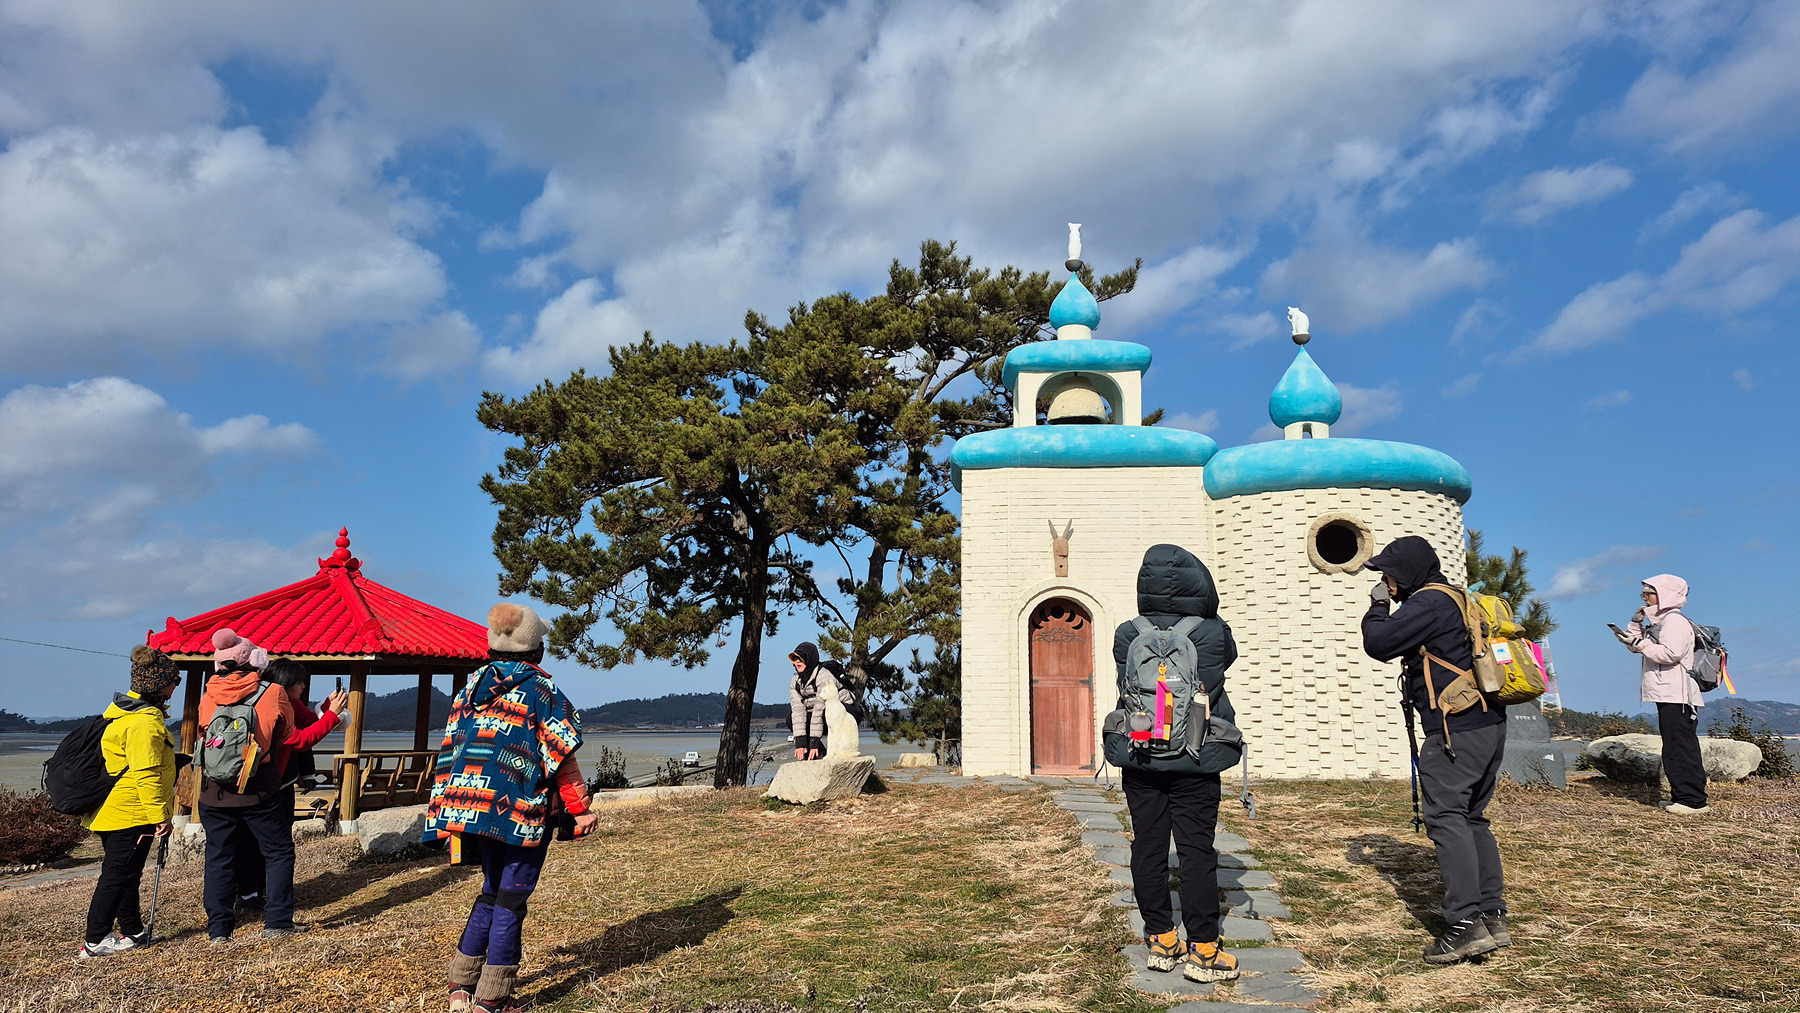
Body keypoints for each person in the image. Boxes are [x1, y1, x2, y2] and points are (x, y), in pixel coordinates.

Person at [424, 603, 597, 1013]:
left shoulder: (469, 689)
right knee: (512, 898)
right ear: (537, 651)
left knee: (492, 889)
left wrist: (444, 809)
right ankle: (493, 997)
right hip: (519, 810)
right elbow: (560, 755)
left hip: (471, 805)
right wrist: (580, 808)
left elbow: (452, 749)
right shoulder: (541, 691)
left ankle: (461, 983)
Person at [1361, 535, 1508, 964]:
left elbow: (1378, 643)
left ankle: (1465, 924)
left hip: (1454, 728)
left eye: (1389, 574)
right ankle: (1492, 916)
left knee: (1446, 818)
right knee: (1472, 817)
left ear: (1406, 572)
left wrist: (1378, 606)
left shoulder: (1429, 602)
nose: (1386, 582)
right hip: (1488, 722)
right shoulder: (1459, 598)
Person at [1101, 545, 1241, 984]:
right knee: (1196, 850)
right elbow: (1228, 659)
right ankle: (1204, 949)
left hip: (1141, 755)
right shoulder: (1213, 632)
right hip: (1198, 756)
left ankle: (1161, 939)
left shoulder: (1128, 632)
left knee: (1148, 845)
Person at [76, 646, 181, 958]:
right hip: (131, 811)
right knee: (117, 875)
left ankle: (132, 930)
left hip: (114, 809)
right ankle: (95, 940)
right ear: (160, 685)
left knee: (127, 874)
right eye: (174, 680)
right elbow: (145, 773)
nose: (176, 686)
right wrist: (160, 815)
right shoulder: (143, 723)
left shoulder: (124, 713)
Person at [195, 628, 298, 943]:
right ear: (254, 661)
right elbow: (287, 732)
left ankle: (219, 930)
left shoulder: (208, 695)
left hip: (214, 791)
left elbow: (204, 734)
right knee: (278, 852)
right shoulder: (273, 692)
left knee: (219, 857)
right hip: (258, 788)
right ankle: (277, 922)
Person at [232, 659, 349, 911]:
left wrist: (328, 706)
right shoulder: (273, 705)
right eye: (299, 682)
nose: (303, 687)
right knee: (266, 844)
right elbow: (301, 740)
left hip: (280, 782)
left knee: (271, 842)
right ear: (285, 684)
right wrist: (332, 714)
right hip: (260, 785)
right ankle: (254, 895)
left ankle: (261, 890)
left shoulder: (292, 703)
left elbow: (309, 721)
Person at [1616, 574, 1708, 814]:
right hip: (1669, 692)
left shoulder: (1674, 621)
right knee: (1675, 746)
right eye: (1643, 594)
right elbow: (1636, 646)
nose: (1644, 598)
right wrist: (1635, 625)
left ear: (1665, 595)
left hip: (1678, 694)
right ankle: (1682, 797)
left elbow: (1670, 654)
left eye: (1649, 593)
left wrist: (1641, 644)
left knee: (1680, 747)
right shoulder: (1660, 622)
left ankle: (1693, 801)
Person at [788, 642, 854, 760]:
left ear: (809, 659)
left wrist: (814, 742)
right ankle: (817, 752)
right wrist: (800, 742)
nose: (797, 662)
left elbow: (819, 709)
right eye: (794, 659)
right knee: (790, 718)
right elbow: (798, 711)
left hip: (845, 712)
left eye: (800, 659)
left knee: (823, 715)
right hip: (820, 714)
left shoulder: (823, 676)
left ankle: (834, 752)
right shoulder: (795, 682)